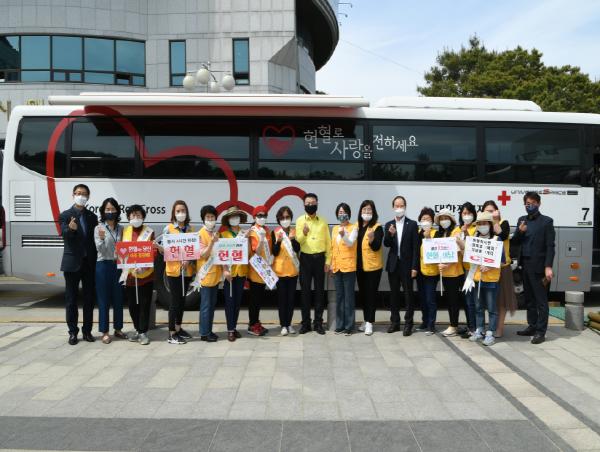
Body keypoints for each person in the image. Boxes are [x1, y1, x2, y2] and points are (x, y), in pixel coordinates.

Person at [511, 192, 555, 344]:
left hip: (539, 267)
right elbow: (515, 242)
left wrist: (548, 266)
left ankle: (541, 332)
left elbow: (550, 246)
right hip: (525, 265)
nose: (530, 206)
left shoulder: (546, 222)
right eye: (527, 203)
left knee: (541, 300)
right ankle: (532, 326)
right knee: (529, 299)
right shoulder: (521, 220)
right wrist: (519, 231)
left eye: (533, 203)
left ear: (539, 204)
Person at [59, 184, 98, 345]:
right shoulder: (65, 215)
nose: (80, 196)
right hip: (72, 264)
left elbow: (94, 240)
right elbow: (64, 234)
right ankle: (73, 332)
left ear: (88, 197)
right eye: (78, 193)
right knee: (71, 300)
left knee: (89, 300)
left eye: (84, 194)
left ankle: (87, 331)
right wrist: (71, 229)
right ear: (73, 195)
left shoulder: (92, 217)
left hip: (89, 264)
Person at [159, 200, 195, 345]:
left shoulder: (190, 229)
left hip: (186, 271)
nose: (181, 213)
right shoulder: (168, 229)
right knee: (174, 302)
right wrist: (159, 247)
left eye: (183, 211)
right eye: (178, 211)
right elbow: (164, 251)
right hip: (174, 271)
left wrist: (189, 260)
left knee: (182, 300)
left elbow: (194, 250)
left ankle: (178, 328)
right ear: (174, 213)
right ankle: (171, 333)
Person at [295, 193, 331, 335]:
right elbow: (298, 241)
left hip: (320, 259)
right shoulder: (299, 220)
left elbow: (328, 242)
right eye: (308, 203)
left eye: (313, 203)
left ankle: (318, 323)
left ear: (317, 204)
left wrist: (328, 261)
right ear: (304, 205)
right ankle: (305, 323)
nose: (310, 205)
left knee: (319, 292)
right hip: (305, 259)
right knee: (305, 292)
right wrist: (304, 233)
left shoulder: (323, 221)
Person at [383, 196, 419, 336]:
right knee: (394, 295)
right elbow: (386, 244)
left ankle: (408, 323)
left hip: (407, 265)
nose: (399, 208)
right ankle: (395, 322)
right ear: (393, 207)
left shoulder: (412, 224)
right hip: (393, 265)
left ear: (405, 207)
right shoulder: (389, 224)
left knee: (408, 295)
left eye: (401, 206)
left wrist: (414, 267)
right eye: (396, 206)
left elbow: (415, 248)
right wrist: (391, 234)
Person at [481, 200, 517, 338]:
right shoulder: (484, 226)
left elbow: (503, 236)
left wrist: (496, 221)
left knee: (501, 301)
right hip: (486, 268)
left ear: (497, 211)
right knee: (489, 301)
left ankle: (499, 328)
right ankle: (490, 326)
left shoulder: (504, 223)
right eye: (486, 211)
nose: (490, 214)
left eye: (492, 211)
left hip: (502, 268)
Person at [94, 197, 126, 344]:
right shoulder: (98, 228)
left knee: (118, 299)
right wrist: (101, 239)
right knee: (104, 299)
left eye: (113, 209)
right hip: (103, 266)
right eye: (107, 209)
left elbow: (126, 248)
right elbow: (100, 249)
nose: (110, 211)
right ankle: (105, 331)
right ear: (103, 211)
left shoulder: (122, 229)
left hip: (118, 266)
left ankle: (118, 329)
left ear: (117, 211)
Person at [467, 211, 501, 346]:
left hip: (491, 280)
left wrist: (489, 266)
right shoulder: (474, 239)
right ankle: (479, 329)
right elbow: (469, 256)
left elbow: (502, 260)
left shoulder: (496, 239)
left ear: (490, 225)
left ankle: (491, 333)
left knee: (492, 308)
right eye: (479, 223)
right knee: (478, 307)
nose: (482, 226)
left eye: (485, 223)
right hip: (477, 279)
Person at [123, 204, 155, 346]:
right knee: (132, 305)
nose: (136, 217)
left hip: (145, 276)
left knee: (144, 305)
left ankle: (143, 332)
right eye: (133, 215)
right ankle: (137, 329)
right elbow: (122, 250)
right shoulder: (125, 231)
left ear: (143, 217)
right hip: (130, 276)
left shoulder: (149, 232)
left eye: (138, 215)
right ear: (129, 217)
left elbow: (153, 252)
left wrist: (143, 267)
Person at [220, 206, 249, 342]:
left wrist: (247, 240)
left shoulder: (244, 234)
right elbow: (221, 254)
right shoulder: (223, 234)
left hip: (241, 272)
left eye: (236, 216)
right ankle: (230, 329)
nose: (234, 218)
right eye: (232, 216)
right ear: (228, 219)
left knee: (237, 302)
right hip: (229, 273)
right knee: (230, 302)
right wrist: (225, 270)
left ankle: (234, 327)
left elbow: (248, 253)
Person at [434, 208, 464, 338]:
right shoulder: (440, 233)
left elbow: (457, 253)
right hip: (445, 273)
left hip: (455, 272)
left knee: (453, 300)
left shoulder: (456, 231)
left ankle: (454, 326)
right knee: (450, 300)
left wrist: (446, 265)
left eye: (446, 218)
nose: (443, 221)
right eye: (441, 219)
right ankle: (453, 324)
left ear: (451, 219)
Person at [271, 206, 300, 336]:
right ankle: (283, 325)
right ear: (279, 219)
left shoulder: (294, 231)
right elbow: (274, 252)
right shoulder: (275, 232)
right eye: (282, 217)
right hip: (280, 271)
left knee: (291, 299)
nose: (285, 219)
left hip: (293, 270)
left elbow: (297, 249)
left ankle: (289, 324)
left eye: (287, 217)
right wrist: (278, 242)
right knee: (282, 300)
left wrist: (292, 240)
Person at [356, 200, 384, 336]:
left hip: (373, 268)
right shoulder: (357, 226)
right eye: (364, 210)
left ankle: (370, 322)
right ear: (360, 211)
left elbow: (377, 246)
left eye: (369, 210)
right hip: (359, 266)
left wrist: (372, 239)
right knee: (363, 294)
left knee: (371, 295)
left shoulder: (377, 227)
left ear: (373, 212)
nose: (366, 212)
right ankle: (366, 319)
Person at [330, 203, 358, 336]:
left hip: (349, 266)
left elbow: (350, 243)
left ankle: (349, 326)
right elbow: (332, 247)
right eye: (340, 212)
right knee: (339, 296)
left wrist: (343, 235)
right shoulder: (335, 228)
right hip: (337, 267)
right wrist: (331, 263)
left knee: (349, 297)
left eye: (344, 212)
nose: (342, 214)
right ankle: (340, 325)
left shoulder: (353, 227)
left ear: (349, 214)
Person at [196, 205, 221, 342]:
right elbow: (204, 254)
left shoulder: (215, 233)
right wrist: (212, 242)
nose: (210, 220)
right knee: (205, 306)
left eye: (212, 217)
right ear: (203, 219)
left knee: (212, 305)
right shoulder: (201, 234)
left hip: (215, 275)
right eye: (208, 217)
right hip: (205, 275)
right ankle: (204, 333)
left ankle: (209, 330)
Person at [247, 205, 272, 336]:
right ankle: (252, 325)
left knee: (259, 299)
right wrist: (261, 239)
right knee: (254, 299)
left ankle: (256, 322)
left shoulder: (267, 230)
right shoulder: (253, 231)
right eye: (259, 215)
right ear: (254, 217)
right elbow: (256, 251)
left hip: (264, 270)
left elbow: (270, 249)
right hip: (255, 270)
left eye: (264, 215)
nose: (262, 218)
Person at [457, 202, 478, 338]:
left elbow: (473, 247)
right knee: (467, 301)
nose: (466, 216)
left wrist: (465, 233)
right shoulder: (458, 229)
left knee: (473, 302)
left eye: (469, 213)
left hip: (474, 270)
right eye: (464, 213)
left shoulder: (477, 228)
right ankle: (471, 326)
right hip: (463, 269)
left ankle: (474, 328)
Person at [417, 207, 438, 335]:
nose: (425, 221)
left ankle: (431, 325)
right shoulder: (417, 232)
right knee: (422, 298)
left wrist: (429, 237)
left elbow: (436, 251)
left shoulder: (436, 233)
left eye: (428, 219)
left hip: (431, 272)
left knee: (430, 299)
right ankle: (424, 322)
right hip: (420, 271)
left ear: (432, 221)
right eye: (423, 219)